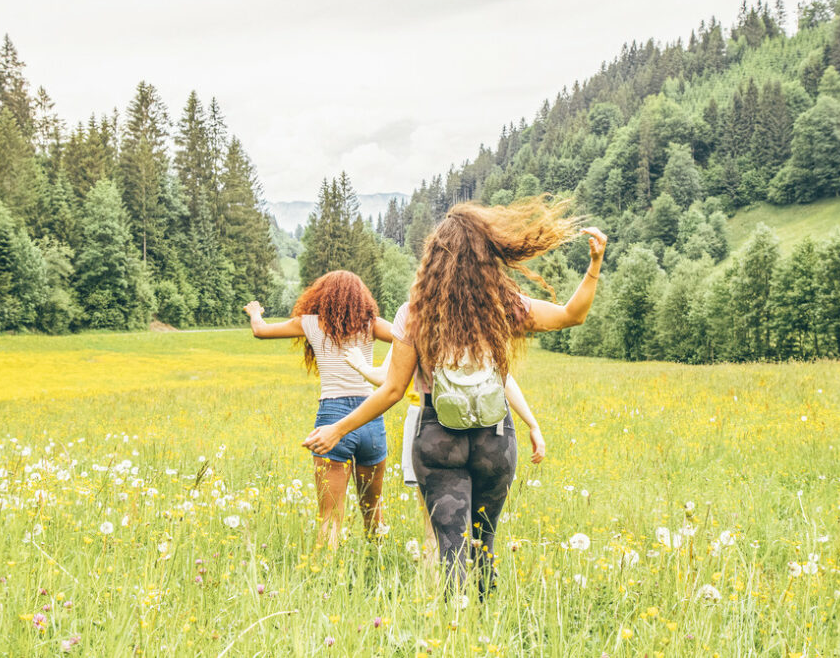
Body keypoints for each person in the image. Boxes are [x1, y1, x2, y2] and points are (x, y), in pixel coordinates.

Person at [302, 197, 607, 591]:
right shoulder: (502, 306)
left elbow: (393, 389)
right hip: (494, 437)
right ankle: (483, 623)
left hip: (437, 437)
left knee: (450, 550)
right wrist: (594, 265)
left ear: (433, 259)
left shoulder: (414, 314)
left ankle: (451, 629)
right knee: (484, 543)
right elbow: (571, 315)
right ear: (487, 255)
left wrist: (338, 429)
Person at [343, 347, 545, 564]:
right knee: (478, 529)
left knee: (435, 527)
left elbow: (388, 378)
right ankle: (477, 592)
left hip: (429, 423)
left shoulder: (413, 315)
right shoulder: (481, 317)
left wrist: (361, 366)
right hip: (483, 425)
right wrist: (532, 424)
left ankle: (438, 593)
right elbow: (502, 378)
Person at [244, 270, 394, 549]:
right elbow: (406, 337)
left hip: (331, 418)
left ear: (321, 296)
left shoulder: (310, 323)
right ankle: (379, 566)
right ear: (362, 298)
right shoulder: (370, 324)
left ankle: (326, 582)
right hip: (371, 417)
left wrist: (255, 312)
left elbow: (260, 330)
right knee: (373, 511)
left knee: (330, 517)